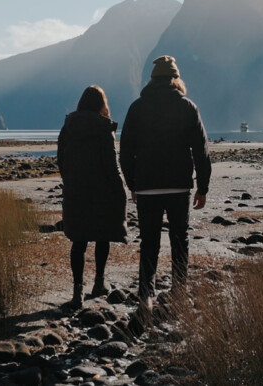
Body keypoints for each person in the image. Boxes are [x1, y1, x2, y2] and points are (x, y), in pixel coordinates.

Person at [119, 55, 211, 311]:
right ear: (175, 79)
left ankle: (146, 296)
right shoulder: (188, 107)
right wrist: (202, 187)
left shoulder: (137, 108)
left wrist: (132, 184)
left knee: (149, 241)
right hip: (179, 185)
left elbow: (125, 151)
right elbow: (201, 151)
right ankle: (179, 293)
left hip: (147, 185)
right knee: (180, 239)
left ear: (152, 80)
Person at [57, 85, 127, 308]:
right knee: (102, 236)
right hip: (102, 190)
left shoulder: (68, 127)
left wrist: (70, 181)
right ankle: (99, 283)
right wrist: (120, 189)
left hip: (76, 190)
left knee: (78, 241)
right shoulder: (104, 129)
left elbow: (61, 160)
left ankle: (77, 294)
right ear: (101, 105)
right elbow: (110, 165)